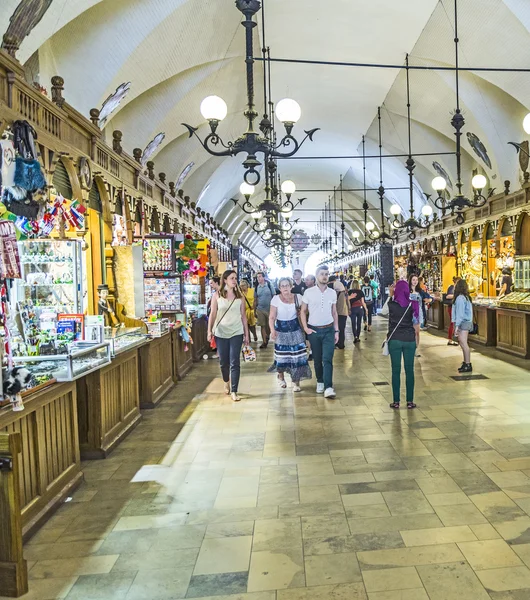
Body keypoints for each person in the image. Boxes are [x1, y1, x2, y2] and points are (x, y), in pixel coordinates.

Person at [207, 270, 249, 402]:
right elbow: (213, 314)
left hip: (236, 331)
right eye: (232, 278)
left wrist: (246, 334)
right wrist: (209, 331)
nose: (234, 280)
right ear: (224, 280)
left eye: (235, 278)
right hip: (221, 332)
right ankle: (226, 381)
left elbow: (243, 316)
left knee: (234, 361)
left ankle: (234, 390)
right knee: (223, 362)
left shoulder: (239, 296)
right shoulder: (217, 295)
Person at [300, 265, 339, 399]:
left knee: (327, 358)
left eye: (327, 274)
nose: (325, 276)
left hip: (328, 329)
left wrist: (336, 330)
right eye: (322, 274)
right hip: (314, 330)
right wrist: (306, 328)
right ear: (317, 276)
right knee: (317, 359)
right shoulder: (309, 292)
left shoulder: (332, 293)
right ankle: (320, 381)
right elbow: (303, 311)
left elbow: (334, 312)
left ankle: (328, 386)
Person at [268, 277, 312, 391]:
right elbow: (272, 317)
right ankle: (281, 376)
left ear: (291, 286)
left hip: (296, 330)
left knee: (297, 357)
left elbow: (305, 311)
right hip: (281, 331)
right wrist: (272, 330)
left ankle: (296, 382)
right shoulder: (275, 299)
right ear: (279, 288)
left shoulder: (298, 297)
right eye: (282, 286)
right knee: (282, 357)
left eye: (287, 285)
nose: (285, 288)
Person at [387, 280, 420, 410]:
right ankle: (410, 401)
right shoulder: (413, 305)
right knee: (409, 370)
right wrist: (417, 340)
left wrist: (391, 295)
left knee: (395, 371)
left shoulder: (391, 305)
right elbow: (416, 326)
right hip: (409, 340)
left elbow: (384, 313)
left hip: (394, 340)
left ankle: (396, 401)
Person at [452, 279, 474, 373]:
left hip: (463, 323)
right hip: (465, 322)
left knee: (464, 343)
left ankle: (468, 363)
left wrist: (456, 326)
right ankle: (465, 362)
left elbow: (460, 313)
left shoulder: (460, 298)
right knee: (462, 342)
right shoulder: (466, 297)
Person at [254, 272, 275, 348]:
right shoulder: (257, 287)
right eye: (257, 277)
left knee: (268, 325)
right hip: (260, 309)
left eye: (260, 276)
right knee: (262, 325)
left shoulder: (269, 285)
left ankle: (267, 335)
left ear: (263, 277)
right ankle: (264, 342)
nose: (258, 278)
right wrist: (254, 310)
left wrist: (274, 309)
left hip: (269, 309)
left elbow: (274, 296)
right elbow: (255, 299)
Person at [333, 279, 349, 350]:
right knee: (342, 329)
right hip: (344, 313)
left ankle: (337, 343)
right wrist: (349, 309)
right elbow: (348, 302)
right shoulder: (345, 293)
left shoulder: (336, 294)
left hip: (338, 314)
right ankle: (341, 344)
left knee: (337, 329)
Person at [445, 276, 460, 346]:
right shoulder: (452, 287)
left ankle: (457, 338)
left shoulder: (458, 289)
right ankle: (450, 339)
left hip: (456, 307)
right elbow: (448, 296)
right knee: (452, 323)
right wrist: (456, 295)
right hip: (451, 307)